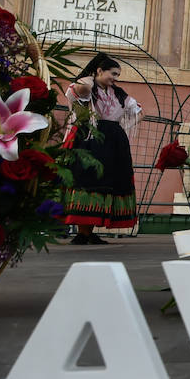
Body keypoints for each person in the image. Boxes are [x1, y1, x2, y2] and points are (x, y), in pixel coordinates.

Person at [62, 52, 142, 244]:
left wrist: (122, 127)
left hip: (113, 141)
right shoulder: (87, 87)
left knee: (108, 182)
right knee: (87, 179)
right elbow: (79, 90)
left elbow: (138, 111)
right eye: (113, 74)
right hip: (90, 139)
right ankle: (83, 231)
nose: (115, 79)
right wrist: (91, 77)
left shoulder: (119, 93)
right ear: (99, 70)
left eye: (117, 75)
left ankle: (89, 232)